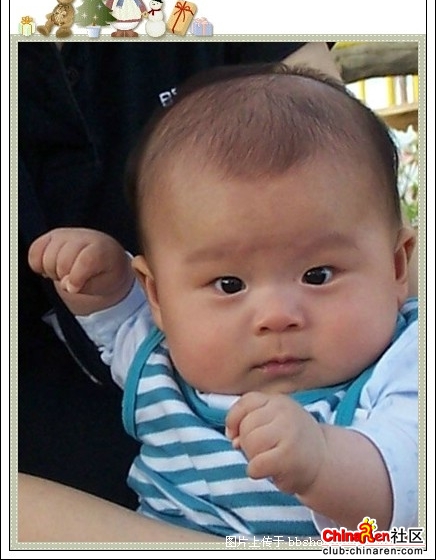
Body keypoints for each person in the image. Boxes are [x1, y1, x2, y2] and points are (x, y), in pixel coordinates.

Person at [23, 64, 418, 541]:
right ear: (157, 296)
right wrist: (105, 288)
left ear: (397, 266)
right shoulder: (161, 363)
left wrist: (321, 462)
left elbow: (410, 485)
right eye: (229, 284)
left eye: (318, 275)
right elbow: (123, 330)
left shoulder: (405, 362)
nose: (276, 317)